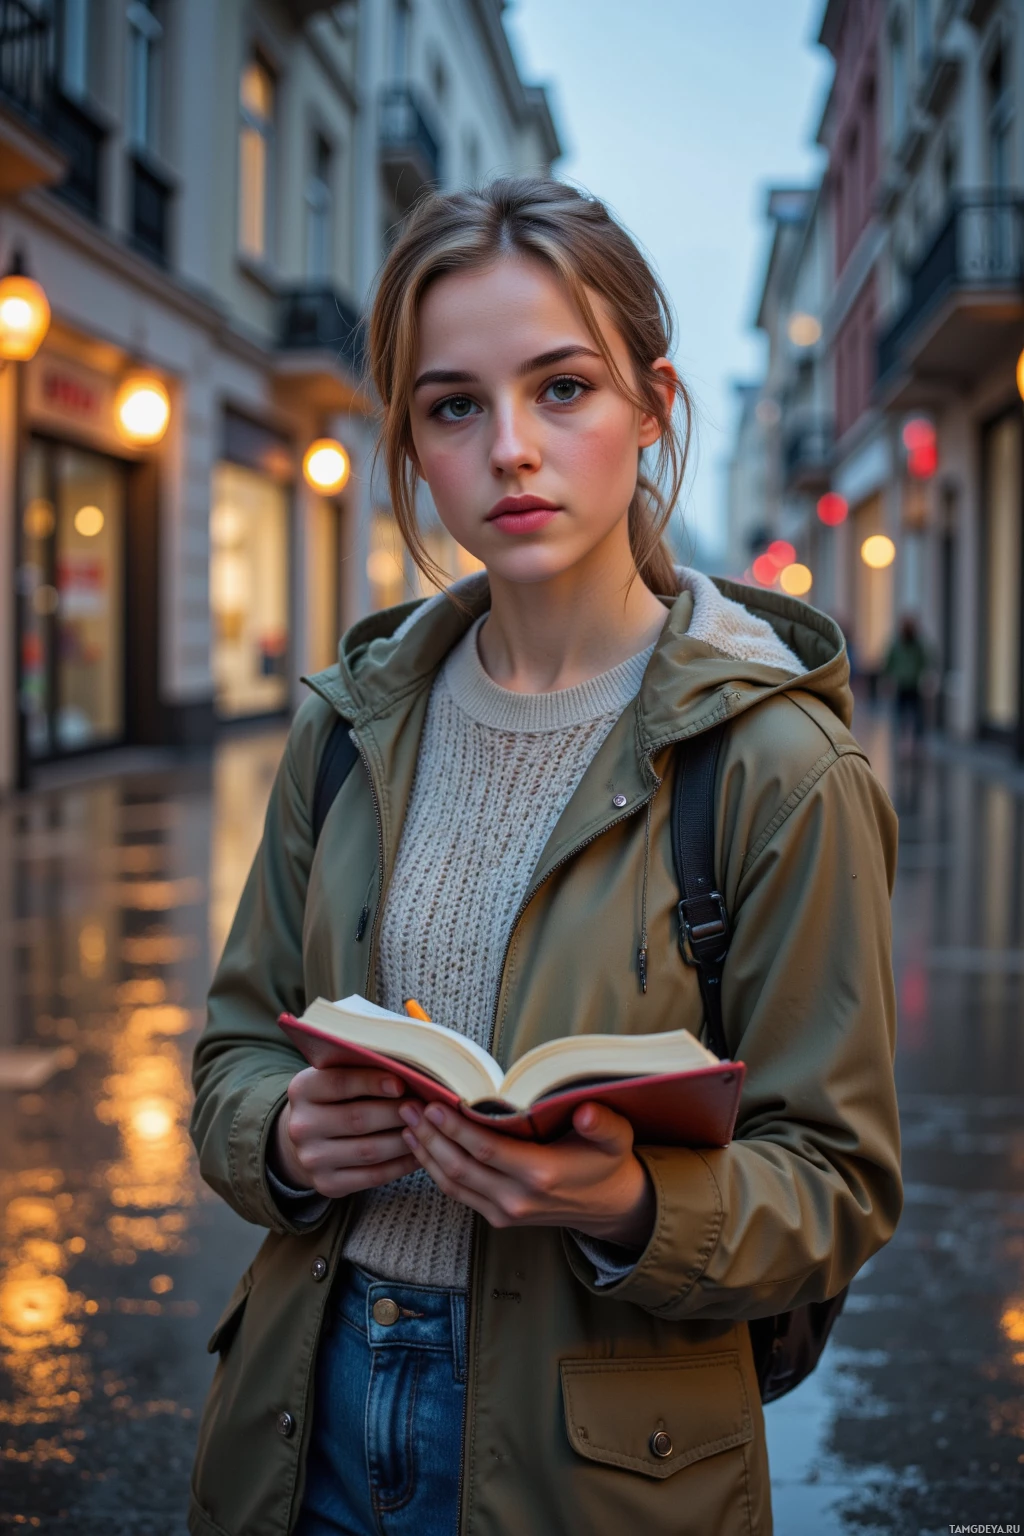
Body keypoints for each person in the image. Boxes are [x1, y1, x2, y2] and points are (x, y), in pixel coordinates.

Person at [188, 178, 902, 1536]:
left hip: (601, 1462)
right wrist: (281, 1134)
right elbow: (232, 1056)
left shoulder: (777, 766)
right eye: (454, 405)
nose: (510, 446)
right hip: (308, 1411)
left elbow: (838, 1184)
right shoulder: (350, 726)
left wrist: (633, 1202)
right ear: (412, 441)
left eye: (562, 388)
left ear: (651, 406)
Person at [884, 614, 931, 751]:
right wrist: (887, 679)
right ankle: (903, 740)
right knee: (900, 714)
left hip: (914, 684)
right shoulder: (897, 645)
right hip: (901, 684)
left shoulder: (918, 645)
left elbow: (925, 661)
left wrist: (926, 678)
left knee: (917, 715)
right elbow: (889, 662)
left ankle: (916, 742)